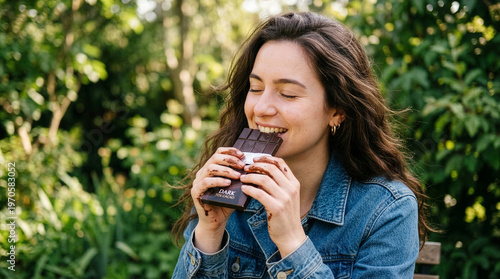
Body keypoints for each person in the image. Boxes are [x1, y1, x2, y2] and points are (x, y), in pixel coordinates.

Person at [171, 11, 430, 278]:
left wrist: (293, 242)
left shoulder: (385, 209)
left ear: (337, 110)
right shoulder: (224, 186)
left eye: (288, 94)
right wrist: (209, 231)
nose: (261, 108)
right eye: (255, 88)